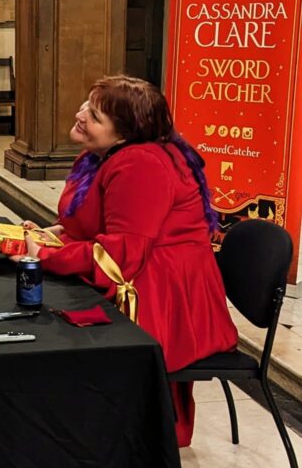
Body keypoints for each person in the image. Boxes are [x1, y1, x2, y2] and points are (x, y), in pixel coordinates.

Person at [21, 74, 238, 447]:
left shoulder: (142, 165)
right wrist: (56, 233)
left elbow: (120, 256)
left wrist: (46, 255)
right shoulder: (106, 155)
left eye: (95, 115)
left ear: (122, 134)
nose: (81, 114)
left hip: (162, 296)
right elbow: (95, 221)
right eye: (87, 104)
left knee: (50, 334)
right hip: (146, 276)